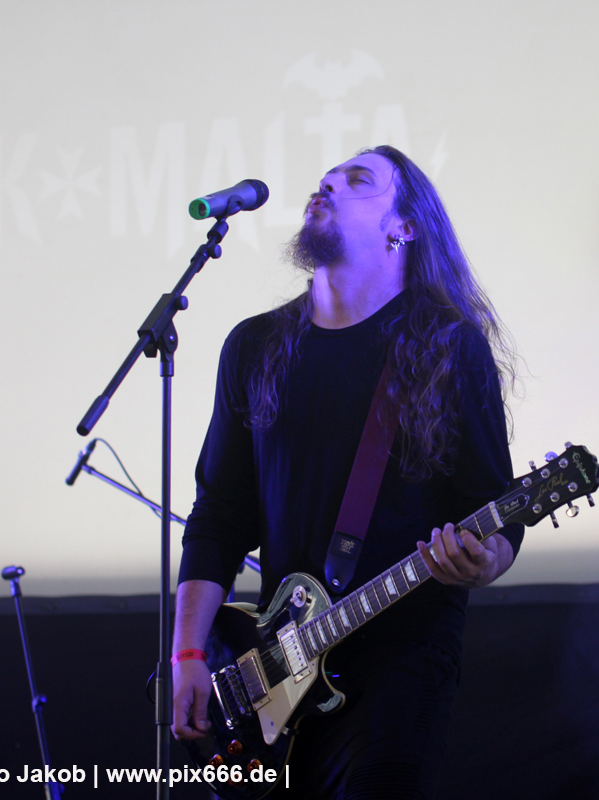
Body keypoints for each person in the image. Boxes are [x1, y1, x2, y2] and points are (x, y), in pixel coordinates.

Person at [171, 145, 523, 799]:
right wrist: (188, 651)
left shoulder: (449, 347)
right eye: (325, 179)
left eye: (356, 180)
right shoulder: (254, 346)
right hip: (280, 669)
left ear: (404, 226)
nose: (328, 185)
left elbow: (497, 510)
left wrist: (484, 561)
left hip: (402, 654)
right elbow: (219, 513)